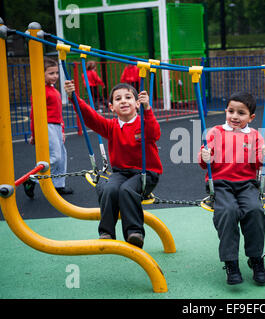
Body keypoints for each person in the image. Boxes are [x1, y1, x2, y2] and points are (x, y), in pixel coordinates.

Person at [64, 80, 162, 248]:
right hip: (121, 172)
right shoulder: (111, 126)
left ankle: (134, 232)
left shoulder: (144, 123)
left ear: (137, 103)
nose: (123, 101)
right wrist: (74, 97)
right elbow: (91, 118)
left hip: (146, 174)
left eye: (128, 97)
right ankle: (107, 232)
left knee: (126, 190)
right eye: (118, 99)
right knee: (109, 189)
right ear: (111, 107)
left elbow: (154, 134)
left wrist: (148, 110)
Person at [198, 92, 265, 285]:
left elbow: (260, 162)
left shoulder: (255, 135)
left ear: (251, 117)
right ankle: (231, 262)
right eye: (231, 111)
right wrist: (204, 156)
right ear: (226, 111)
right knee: (227, 211)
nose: (235, 116)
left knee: (255, 210)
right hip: (221, 184)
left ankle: (256, 259)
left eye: (241, 113)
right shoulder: (215, 132)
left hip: (247, 184)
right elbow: (203, 160)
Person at [24, 57, 73, 198]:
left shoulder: (54, 90)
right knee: (55, 156)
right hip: (46, 126)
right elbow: (34, 114)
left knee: (62, 157)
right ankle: (31, 177)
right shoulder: (40, 91)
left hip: (56, 127)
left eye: (56, 73)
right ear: (42, 74)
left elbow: (59, 114)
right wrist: (34, 134)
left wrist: (62, 131)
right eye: (51, 73)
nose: (55, 76)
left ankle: (58, 185)